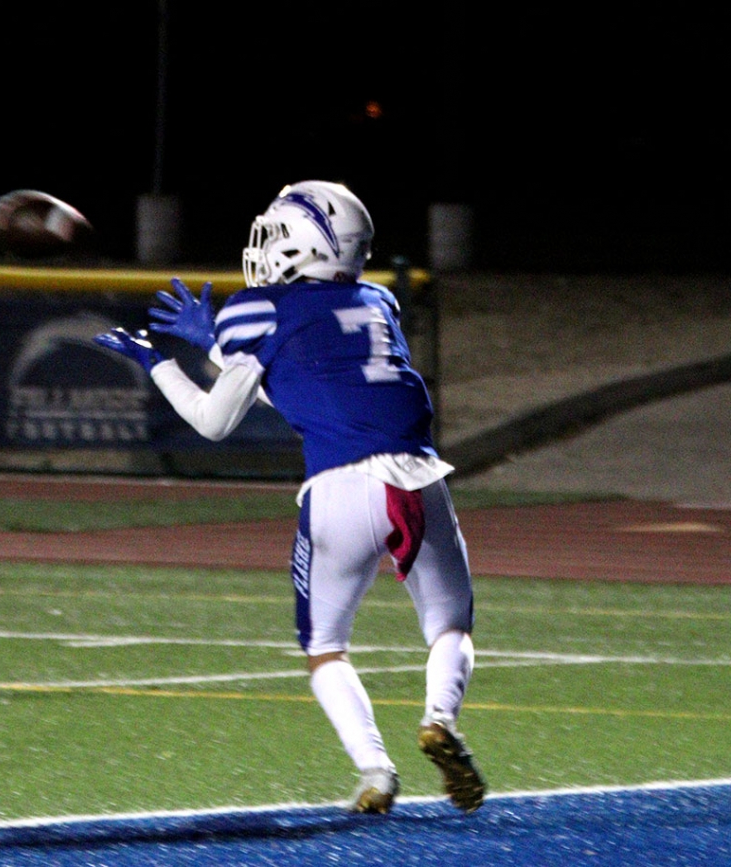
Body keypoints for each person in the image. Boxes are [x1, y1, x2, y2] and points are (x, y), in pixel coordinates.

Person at [95, 180, 485, 815]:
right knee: (448, 623)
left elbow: (214, 422)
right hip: (419, 478)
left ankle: (375, 772)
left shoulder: (255, 308)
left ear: (307, 244)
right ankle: (441, 718)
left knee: (325, 644)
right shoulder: (381, 301)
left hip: (337, 490)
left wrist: (159, 362)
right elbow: (318, 385)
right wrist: (220, 345)